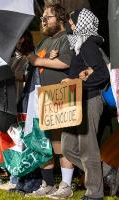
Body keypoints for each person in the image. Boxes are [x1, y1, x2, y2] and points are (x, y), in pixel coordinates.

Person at [26, 3, 74, 199]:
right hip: (44, 96)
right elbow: (40, 65)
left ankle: (66, 185)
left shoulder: (66, 38)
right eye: (43, 17)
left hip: (61, 94)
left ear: (61, 19)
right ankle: (48, 184)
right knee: (49, 141)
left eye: (48, 17)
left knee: (64, 141)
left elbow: (66, 62)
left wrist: (38, 60)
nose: (43, 20)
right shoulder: (45, 42)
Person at [61, 8, 110, 200]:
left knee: (87, 149)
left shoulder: (88, 43)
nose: (70, 25)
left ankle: (94, 193)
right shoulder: (80, 45)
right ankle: (105, 171)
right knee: (68, 147)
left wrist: (79, 82)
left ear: (82, 23)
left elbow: (102, 74)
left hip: (90, 99)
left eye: (73, 22)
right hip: (77, 102)